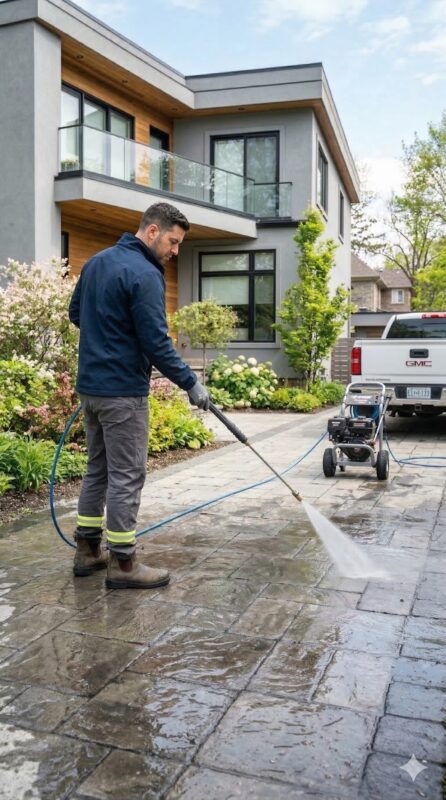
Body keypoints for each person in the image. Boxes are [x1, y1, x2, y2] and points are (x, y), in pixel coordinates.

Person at [68, 202, 209, 590]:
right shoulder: (145, 274)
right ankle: (124, 564)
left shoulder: (96, 263)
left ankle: (87, 549)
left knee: (98, 469)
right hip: (122, 394)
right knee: (127, 474)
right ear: (151, 231)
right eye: (173, 242)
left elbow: (76, 313)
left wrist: (110, 332)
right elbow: (156, 343)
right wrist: (190, 383)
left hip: (92, 390)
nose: (175, 251)